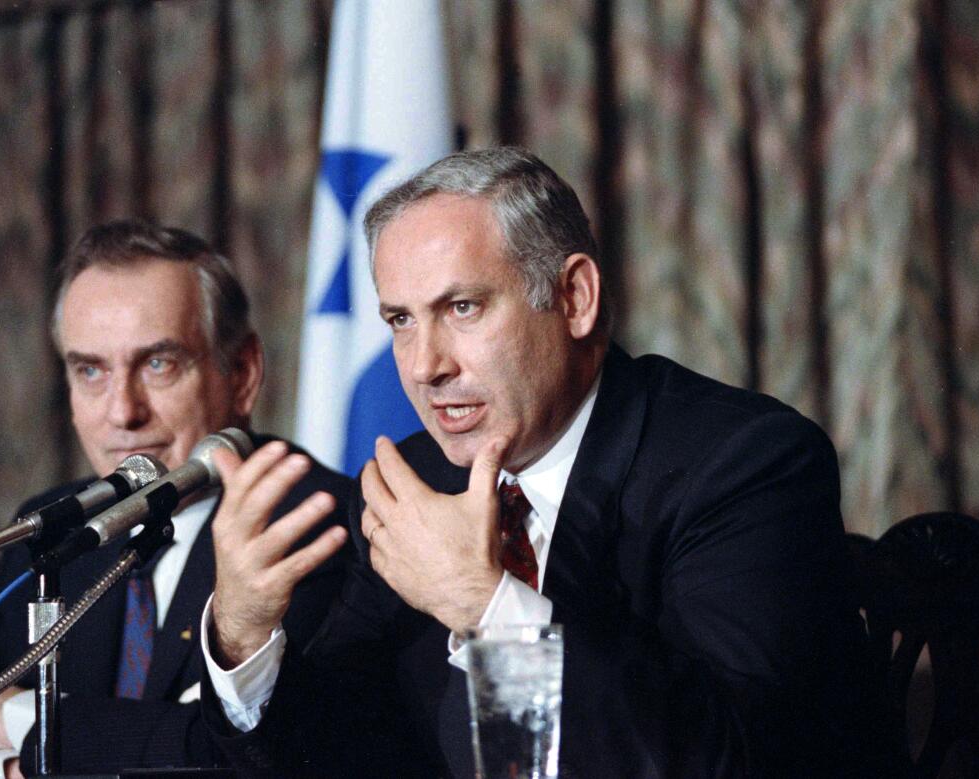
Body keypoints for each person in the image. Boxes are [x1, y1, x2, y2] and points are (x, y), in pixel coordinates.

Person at [198, 148, 886, 776]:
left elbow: (725, 757)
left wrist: (483, 603)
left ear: (574, 298)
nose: (425, 366)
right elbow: (341, 748)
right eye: (401, 320)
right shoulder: (417, 483)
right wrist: (242, 636)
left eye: (462, 307)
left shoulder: (742, 464)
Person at [0, 220, 350, 778]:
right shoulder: (54, 526)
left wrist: (27, 721)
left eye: (158, 364)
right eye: (90, 370)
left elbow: (238, 758)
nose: (122, 412)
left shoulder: (315, 521)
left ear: (241, 374)